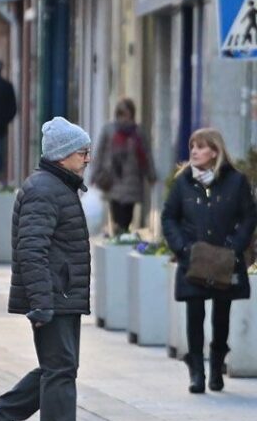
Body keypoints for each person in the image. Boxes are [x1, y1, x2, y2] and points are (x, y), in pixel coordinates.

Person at [0, 117, 102, 421]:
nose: (87, 159)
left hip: (60, 294)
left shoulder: (57, 187)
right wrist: (41, 303)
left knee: (59, 367)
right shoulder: (46, 190)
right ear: (63, 155)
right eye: (82, 152)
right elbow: (32, 250)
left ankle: (0, 416)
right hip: (55, 296)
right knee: (60, 370)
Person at [161, 128, 257, 394]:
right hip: (193, 259)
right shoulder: (183, 183)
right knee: (194, 314)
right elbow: (169, 217)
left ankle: (216, 366)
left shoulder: (236, 181)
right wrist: (182, 248)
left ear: (214, 151)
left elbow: (249, 217)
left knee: (222, 316)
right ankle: (196, 372)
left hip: (224, 260)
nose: (193, 151)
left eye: (200, 147)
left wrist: (234, 247)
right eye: (192, 146)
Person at [91, 99, 156, 235]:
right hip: (113, 179)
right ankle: (118, 239)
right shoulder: (109, 130)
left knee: (127, 216)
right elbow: (100, 153)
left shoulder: (138, 132)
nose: (123, 117)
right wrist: (95, 174)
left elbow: (146, 154)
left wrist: (151, 174)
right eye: (120, 114)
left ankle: (122, 239)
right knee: (116, 214)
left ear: (132, 114)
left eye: (126, 114)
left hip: (132, 181)